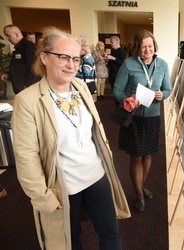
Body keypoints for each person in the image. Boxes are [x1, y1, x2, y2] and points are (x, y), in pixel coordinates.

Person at [11, 26, 130, 249]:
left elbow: (94, 130)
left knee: (111, 234)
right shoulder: (28, 101)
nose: (71, 65)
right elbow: (26, 156)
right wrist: (42, 197)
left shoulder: (80, 86)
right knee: (69, 241)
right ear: (44, 57)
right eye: (64, 57)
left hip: (96, 175)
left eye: (76, 58)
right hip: (63, 186)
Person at [113, 30, 171, 212]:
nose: (147, 50)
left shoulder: (162, 65)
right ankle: (139, 194)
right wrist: (127, 101)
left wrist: (163, 95)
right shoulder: (129, 65)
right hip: (134, 118)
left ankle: (140, 184)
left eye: (150, 46)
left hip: (153, 117)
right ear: (137, 48)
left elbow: (167, 89)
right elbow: (117, 88)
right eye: (144, 47)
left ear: (155, 47)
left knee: (148, 155)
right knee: (136, 156)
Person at [0, 24, 40, 94]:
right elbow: (20, 67)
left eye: (8, 35)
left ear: (16, 35)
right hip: (21, 89)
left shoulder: (29, 46)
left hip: (27, 89)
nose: (6, 38)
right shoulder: (19, 48)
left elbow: (33, 68)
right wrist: (9, 75)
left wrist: (28, 85)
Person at [106, 36, 126, 105]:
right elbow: (112, 62)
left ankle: (120, 107)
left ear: (117, 42)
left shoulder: (122, 51)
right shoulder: (113, 51)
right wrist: (108, 60)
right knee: (114, 92)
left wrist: (113, 58)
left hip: (118, 74)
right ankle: (117, 107)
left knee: (117, 92)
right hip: (112, 73)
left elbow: (123, 63)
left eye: (112, 42)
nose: (110, 43)